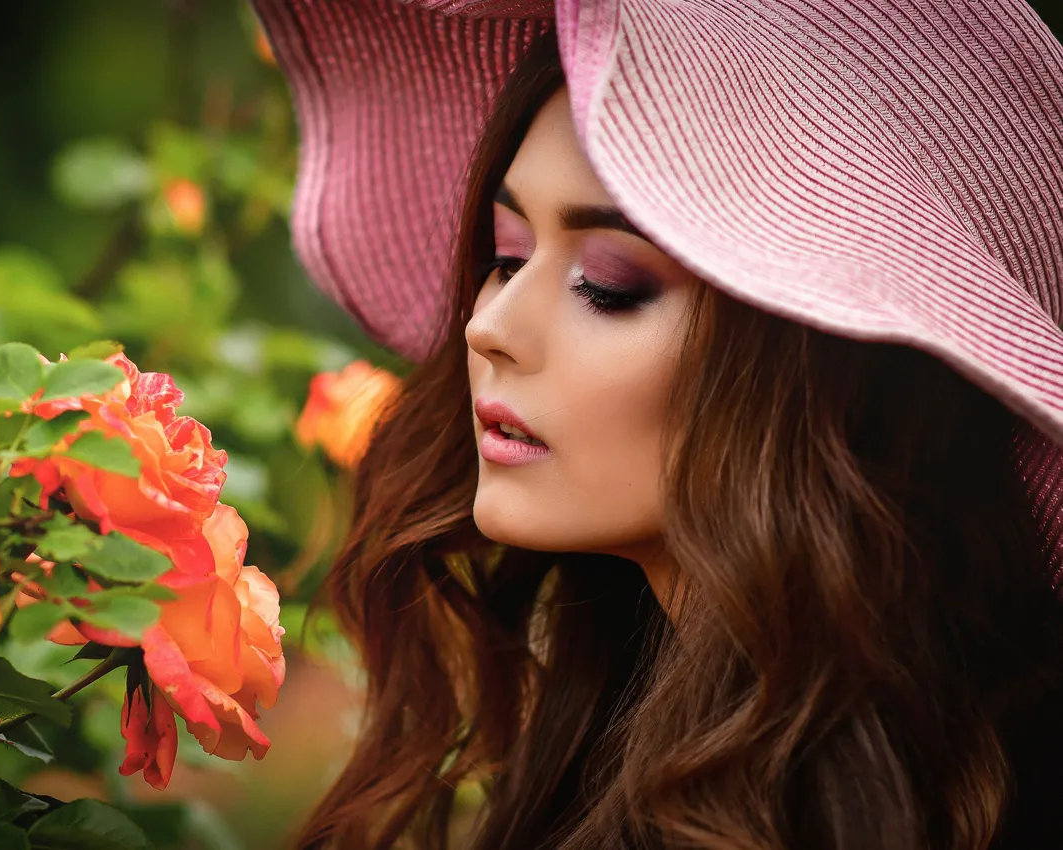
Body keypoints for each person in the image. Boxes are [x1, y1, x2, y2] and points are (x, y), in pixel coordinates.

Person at [253, 1, 1063, 847]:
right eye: (506, 258)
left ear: (825, 366)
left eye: (608, 284)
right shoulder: (598, 743)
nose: (488, 326)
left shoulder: (1000, 791)